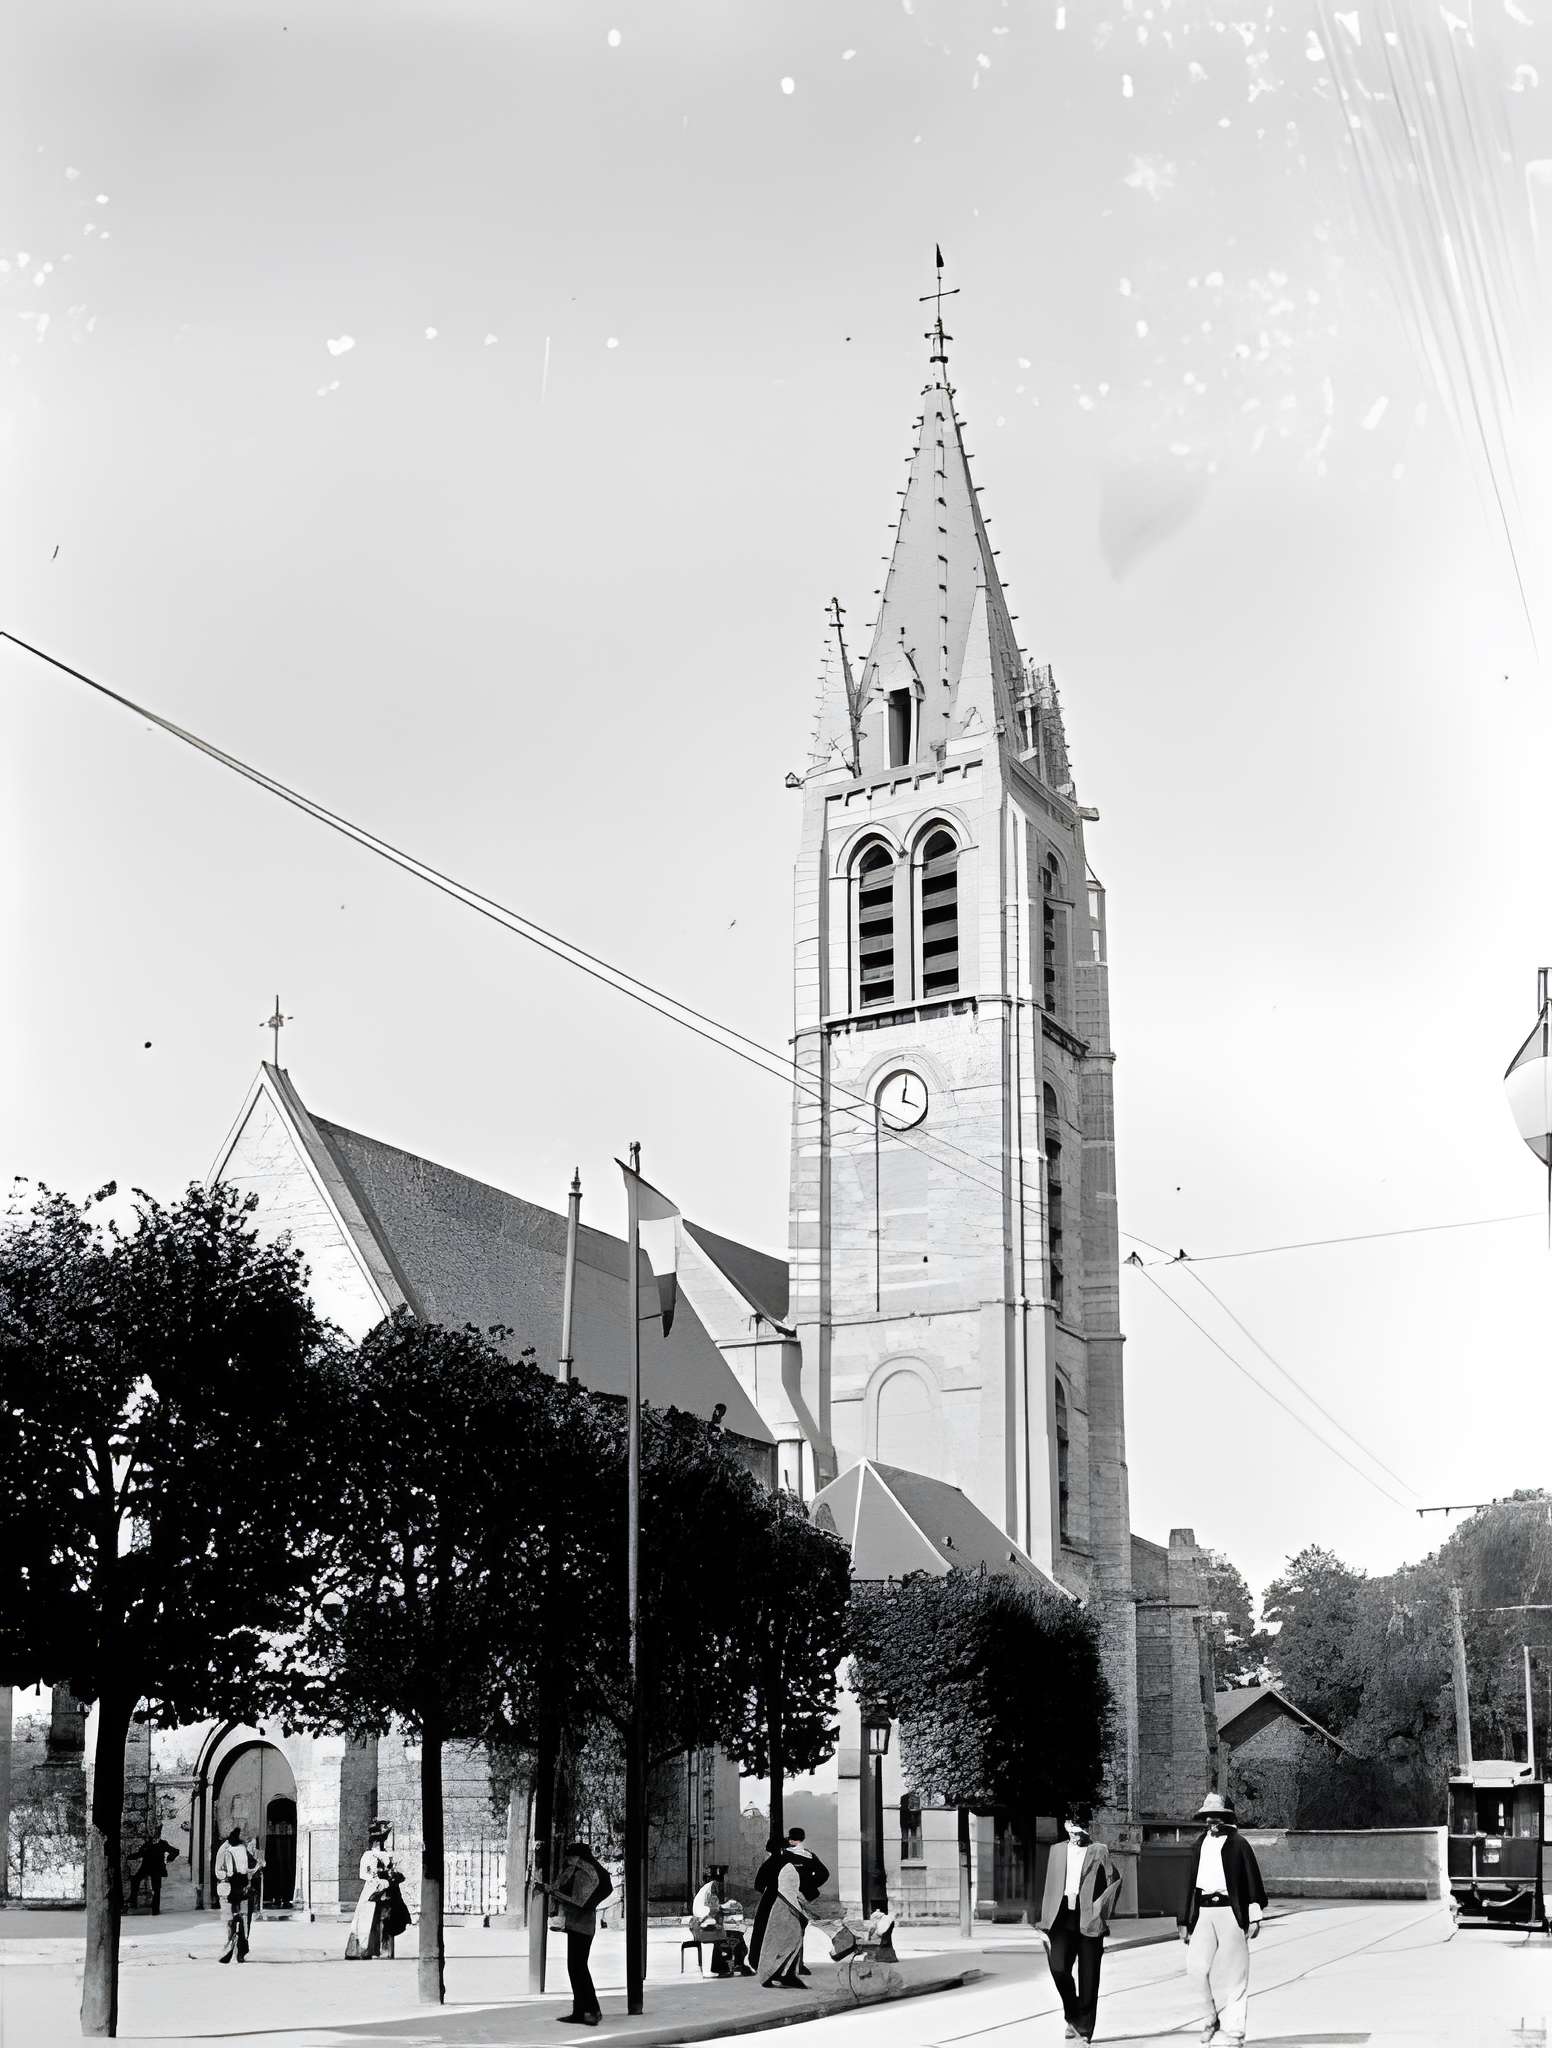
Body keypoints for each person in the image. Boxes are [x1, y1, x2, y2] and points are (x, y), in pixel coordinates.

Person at [1177, 1793, 1267, 2048]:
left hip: (1231, 1911)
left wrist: (1254, 1917)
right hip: (1204, 1912)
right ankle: (1210, 2017)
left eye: (1218, 1816)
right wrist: (1184, 1920)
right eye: (1208, 1817)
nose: (1212, 1821)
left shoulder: (1239, 1844)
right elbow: (1188, 1885)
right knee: (1196, 1968)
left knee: (1236, 1974)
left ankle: (1235, 2032)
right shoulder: (1198, 1845)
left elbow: (1252, 1882)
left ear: (1228, 1817)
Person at [1036, 1807, 1122, 2044]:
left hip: (1089, 1919)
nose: (1076, 1834)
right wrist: (1044, 1924)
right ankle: (1072, 2015)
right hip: (1060, 1917)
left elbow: (1114, 1882)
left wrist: (1100, 1910)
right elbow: (1048, 1888)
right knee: (1059, 1968)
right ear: (1066, 1826)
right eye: (1073, 1829)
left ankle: (1084, 2029)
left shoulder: (1099, 1850)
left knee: (1088, 1977)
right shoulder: (1056, 1850)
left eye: (1081, 1830)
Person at [545, 1839, 611, 2025]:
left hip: (579, 1926)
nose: (568, 1860)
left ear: (577, 1856)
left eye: (570, 1856)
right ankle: (583, 2010)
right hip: (584, 1925)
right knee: (578, 1968)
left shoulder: (584, 1873)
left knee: (577, 1968)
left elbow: (576, 1899)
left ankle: (590, 2010)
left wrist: (551, 1891)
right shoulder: (590, 1871)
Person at [345, 1820, 403, 1961]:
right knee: (365, 1918)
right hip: (371, 1888)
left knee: (384, 1919)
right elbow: (362, 1874)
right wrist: (374, 1877)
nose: (379, 1843)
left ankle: (383, 1950)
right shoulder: (367, 1855)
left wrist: (389, 1876)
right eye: (377, 1840)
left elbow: (391, 1870)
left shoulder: (386, 1855)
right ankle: (363, 1950)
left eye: (381, 1840)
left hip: (385, 1889)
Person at [758, 1855, 811, 1989]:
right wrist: (801, 1912)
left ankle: (782, 1974)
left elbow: (793, 1892)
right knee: (788, 1940)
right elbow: (788, 1892)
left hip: (782, 1906)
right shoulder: (788, 1869)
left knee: (785, 1941)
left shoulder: (788, 1868)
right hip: (784, 1908)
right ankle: (778, 1974)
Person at [784, 1828, 828, 1977]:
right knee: (800, 1932)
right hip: (802, 1898)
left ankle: (788, 1964)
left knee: (787, 1932)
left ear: (791, 1839)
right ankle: (799, 1964)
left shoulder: (784, 1855)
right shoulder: (809, 1855)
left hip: (786, 1897)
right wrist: (809, 1888)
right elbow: (824, 1873)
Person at [691, 1868, 753, 1976]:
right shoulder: (710, 1892)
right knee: (731, 1937)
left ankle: (735, 1964)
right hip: (704, 1927)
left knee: (734, 1935)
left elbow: (715, 1909)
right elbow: (712, 1910)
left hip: (703, 1924)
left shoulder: (706, 1890)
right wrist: (725, 1907)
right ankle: (727, 1967)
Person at [214, 1828, 251, 1964]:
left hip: (230, 1888)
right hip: (235, 1888)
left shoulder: (228, 1849)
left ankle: (234, 1947)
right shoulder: (234, 1849)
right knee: (239, 1919)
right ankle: (237, 1949)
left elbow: (219, 1872)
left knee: (232, 1920)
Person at [128, 1834, 179, 1915]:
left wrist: (169, 1859)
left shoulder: (163, 1844)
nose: (154, 1839)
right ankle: (133, 1902)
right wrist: (129, 1857)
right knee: (135, 1880)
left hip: (157, 1869)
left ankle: (155, 1910)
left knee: (156, 1889)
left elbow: (175, 1851)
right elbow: (140, 1853)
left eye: (156, 1837)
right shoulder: (147, 1844)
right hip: (146, 1867)